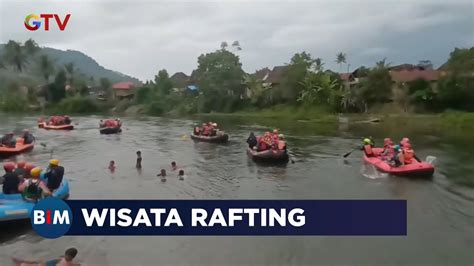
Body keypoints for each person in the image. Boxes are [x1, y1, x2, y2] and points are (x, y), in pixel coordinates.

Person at [12, 247, 80, 266]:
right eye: (65, 254)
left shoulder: (72, 264)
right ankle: (22, 261)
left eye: (67, 256)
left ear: (72, 257)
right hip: (54, 262)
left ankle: (21, 264)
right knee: (38, 262)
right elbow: (62, 258)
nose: (65, 256)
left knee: (38, 264)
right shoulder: (65, 258)